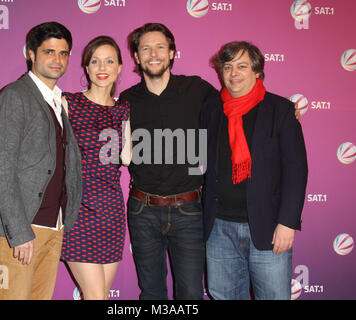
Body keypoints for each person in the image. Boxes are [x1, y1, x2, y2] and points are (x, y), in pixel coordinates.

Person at [0, 22, 83, 300]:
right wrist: (19, 232)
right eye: (49, 51)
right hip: (21, 229)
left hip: (52, 226)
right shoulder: (14, 96)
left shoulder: (59, 102)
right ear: (31, 54)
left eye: (64, 53)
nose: (57, 59)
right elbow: (1, 168)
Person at [119, 23, 218, 300]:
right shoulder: (127, 99)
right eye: (145, 48)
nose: (154, 54)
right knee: (151, 293)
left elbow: (235, 107)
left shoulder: (197, 89)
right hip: (142, 210)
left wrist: (279, 109)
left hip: (188, 210)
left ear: (173, 53)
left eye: (160, 47)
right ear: (136, 57)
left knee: (190, 294)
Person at [202, 41, 308, 300]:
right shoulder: (212, 109)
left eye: (242, 66)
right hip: (219, 228)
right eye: (227, 67)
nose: (233, 73)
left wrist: (287, 222)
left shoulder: (280, 110)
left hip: (268, 227)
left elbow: (296, 170)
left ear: (257, 72)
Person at [60, 36, 131, 300]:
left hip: (112, 210)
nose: (102, 67)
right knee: (96, 295)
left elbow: (127, 158)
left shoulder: (123, 112)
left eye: (110, 61)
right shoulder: (68, 103)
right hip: (78, 209)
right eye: (95, 61)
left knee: (99, 295)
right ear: (86, 68)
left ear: (120, 67)